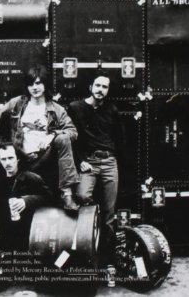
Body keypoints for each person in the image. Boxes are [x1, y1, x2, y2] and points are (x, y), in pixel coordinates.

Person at [0, 65, 80, 211]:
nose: (34, 87)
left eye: (38, 83)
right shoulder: (17, 103)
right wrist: (0, 149)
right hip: (21, 158)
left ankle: (67, 194)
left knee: (63, 139)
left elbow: (73, 132)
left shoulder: (56, 109)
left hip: (44, 158)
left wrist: (52, 135)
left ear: (45, 84)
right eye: (31, 84)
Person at [0, 143, 51, 297]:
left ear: (18, 159)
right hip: (1, 230)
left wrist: (27, 201)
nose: (7, 163)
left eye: (11, 158)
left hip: (26, 232)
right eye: (3, 159)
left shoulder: (31, 178)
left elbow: (49, 197)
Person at [67, 71, 123, 265]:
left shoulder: (112, 110)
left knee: (109, 212)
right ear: (90, 87)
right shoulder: (75, 108)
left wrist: (112, 158)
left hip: (109, 162)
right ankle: (87, 251)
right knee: (83, 196)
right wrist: (80, 160)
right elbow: (70, 139)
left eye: (104, 87)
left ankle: (108, 259)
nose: (100, 90)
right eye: (97, 85)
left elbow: (120, 138)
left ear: (108, 91)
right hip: (88, 162)